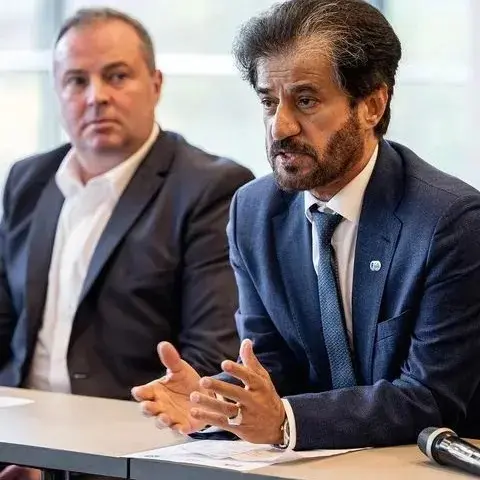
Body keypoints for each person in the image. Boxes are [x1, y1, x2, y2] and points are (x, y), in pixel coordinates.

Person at [132, 0, 480, 451]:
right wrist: (214, 403)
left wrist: (285, 422)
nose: (280, 128)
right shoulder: (254, 212)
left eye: (306, 101)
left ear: (372, 106)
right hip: (315, 462)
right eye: (268, 101)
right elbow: (272, 364)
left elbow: (431, 397)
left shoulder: (449, 221)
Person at [0, 9, 254, 409]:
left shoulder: (210, 188)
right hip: (19, 420)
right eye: (76, 81)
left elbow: (211, 356)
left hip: (133, 425)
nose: (96, 96)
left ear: (156, 84)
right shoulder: (28, 179)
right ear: (57, 92)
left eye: (117, 76)